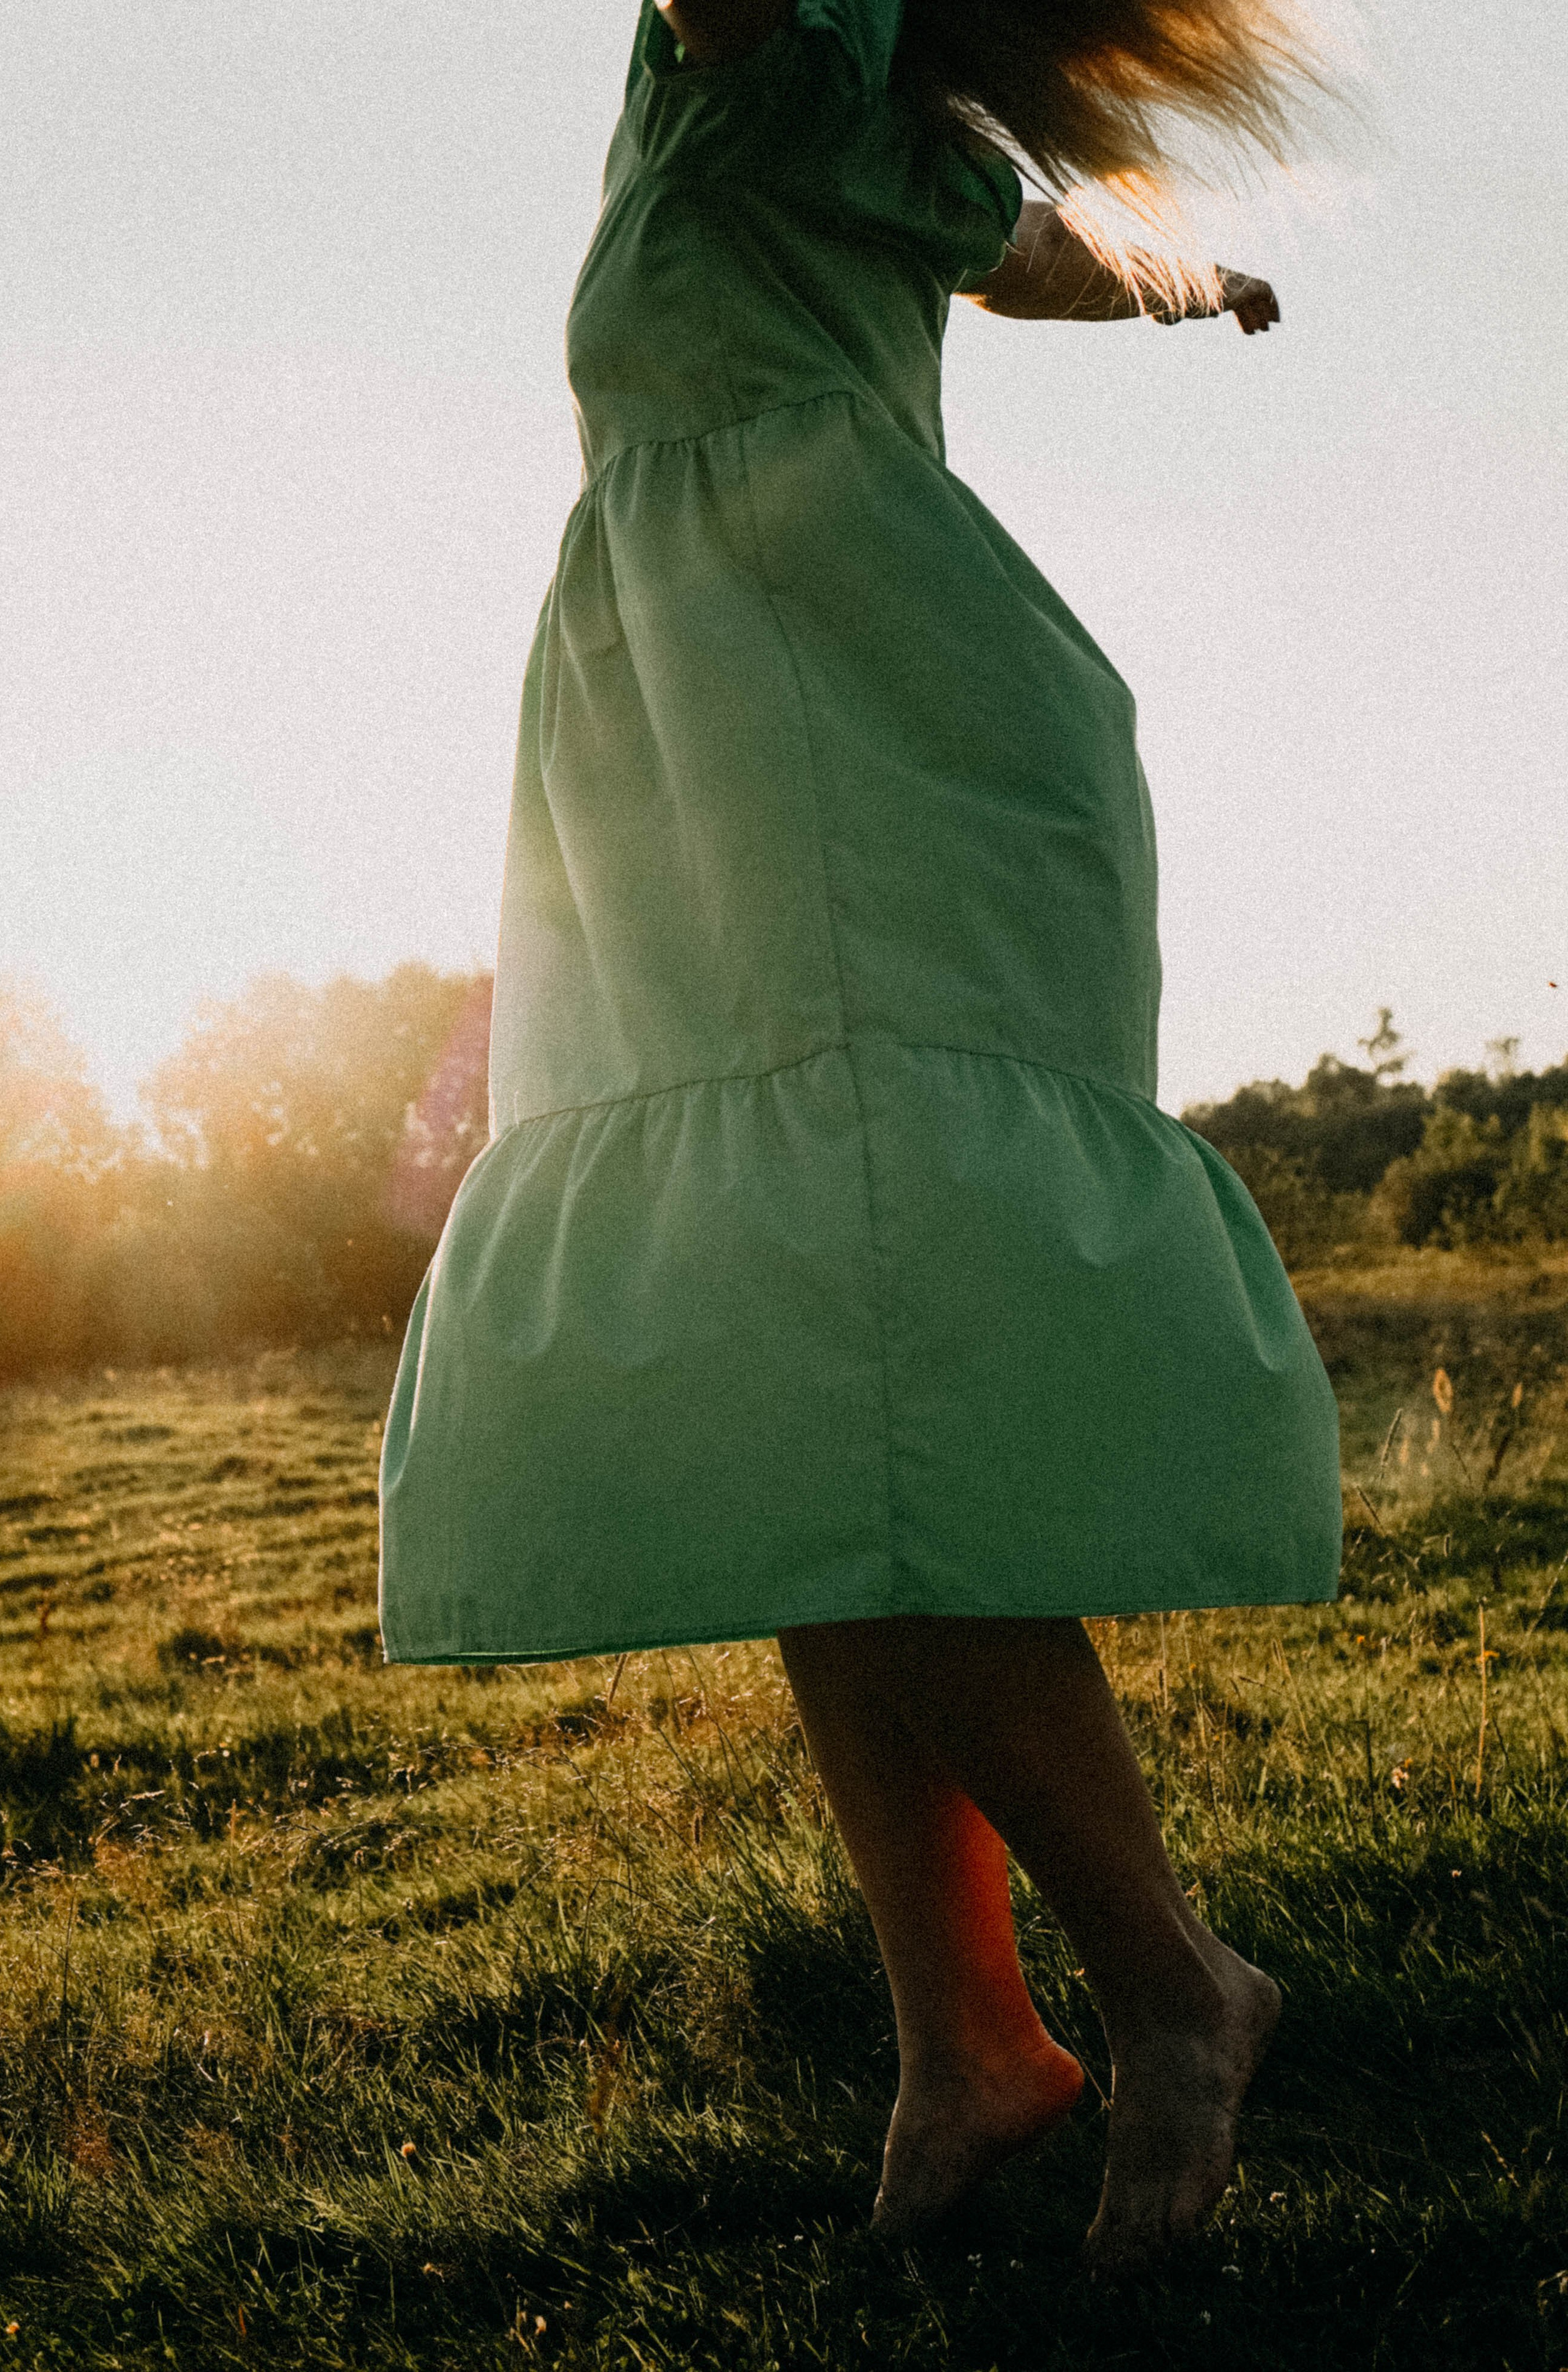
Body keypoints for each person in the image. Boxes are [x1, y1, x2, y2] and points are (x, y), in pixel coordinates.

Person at [379, 0, 1342, 2268]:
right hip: (718, 733)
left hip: (843, 725)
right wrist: (1193, 280)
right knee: (794, 1386)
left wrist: (1181, 281)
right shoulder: (854, 104)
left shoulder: (771, 45)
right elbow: (1032, 253)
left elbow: (999, 231)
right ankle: (969, 2040)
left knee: (858, 1357)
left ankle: (1174, 1989)